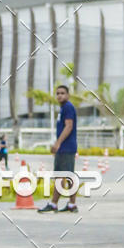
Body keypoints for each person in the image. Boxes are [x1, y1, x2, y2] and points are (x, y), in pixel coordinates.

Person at [38, 85, 78, 213]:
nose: (60, 95)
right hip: (65, 147)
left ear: (68, 95)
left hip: (66, 147)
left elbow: (69, 126)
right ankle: (71, 205)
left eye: (62, 93)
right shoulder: (63, 108)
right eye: (58, 93)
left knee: (62, 176)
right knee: (66, 175)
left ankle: (54, 204)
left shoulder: (67, 107)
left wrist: (58, 143)